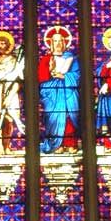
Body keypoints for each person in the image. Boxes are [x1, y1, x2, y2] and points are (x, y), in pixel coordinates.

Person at [38, 25, 80, 153]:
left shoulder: (72, 58)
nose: (58, 43)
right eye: (55, 41)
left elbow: (77, 75)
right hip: (50, 93)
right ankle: (56, 144)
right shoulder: (45, 58)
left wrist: (64, 76)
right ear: (50, 43)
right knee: (52, 117)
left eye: (60, 40)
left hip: (68, 91)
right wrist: (49, 72)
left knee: (68, 115)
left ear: (65, 42)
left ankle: (70, 143)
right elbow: (40, 77)